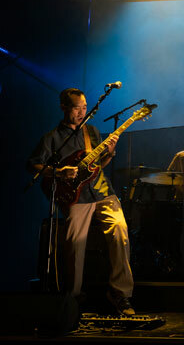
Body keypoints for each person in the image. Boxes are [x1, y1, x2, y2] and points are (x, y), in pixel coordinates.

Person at [27, 88, 135, 316]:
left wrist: (110, 154)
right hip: (75, 197)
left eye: (84, 107)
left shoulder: (92, 131)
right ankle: (73, 298)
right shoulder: (53, 137)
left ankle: (120, 295)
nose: (82, 112)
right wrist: (58, 172)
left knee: (120, 230)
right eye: (77, 107)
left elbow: (97, 167)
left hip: (103, 191)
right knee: (75, 243)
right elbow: (33, 165)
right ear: (64, 107)